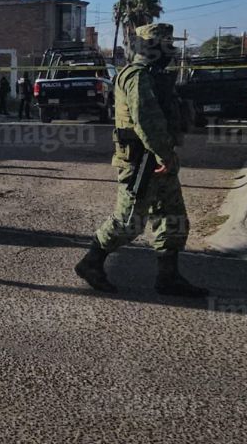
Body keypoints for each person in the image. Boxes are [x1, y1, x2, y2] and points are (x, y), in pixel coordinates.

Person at [74, 23, 207, 298]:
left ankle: (168, 277)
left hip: (159, 158)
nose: (169, 49)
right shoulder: (136, 76)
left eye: (171, 43)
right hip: (141, 161)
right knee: (129, 222)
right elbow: (146, 121)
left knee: (173, 218)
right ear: (151, 47)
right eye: (164, 44)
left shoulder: (154, 74)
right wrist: (163, 155)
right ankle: (91, 262)